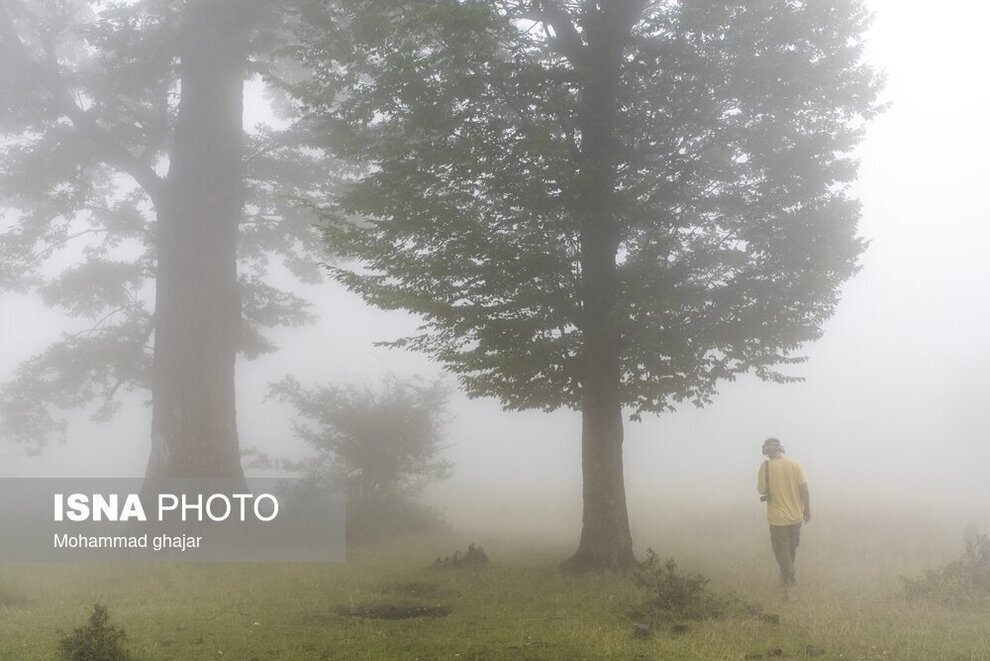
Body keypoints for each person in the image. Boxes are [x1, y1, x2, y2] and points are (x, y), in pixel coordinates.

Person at [757, 437, 810, 591]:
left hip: (777, 518)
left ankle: (790, 578)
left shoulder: (765, 467)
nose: (766, 455)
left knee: (781, 551)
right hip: (795, 517)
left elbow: (761, 490)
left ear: (770, 450)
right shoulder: (795, 464)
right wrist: (807, 510)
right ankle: (785, 582)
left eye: (767, 451)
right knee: (791, 549)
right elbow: (804, 488)